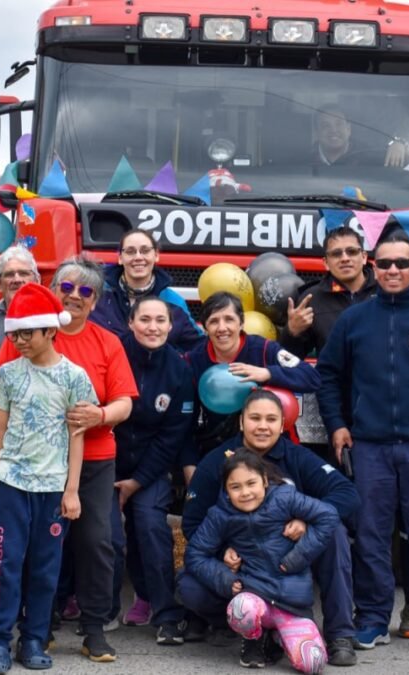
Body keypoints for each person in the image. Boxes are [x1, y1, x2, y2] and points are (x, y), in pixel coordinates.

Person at [316, 232, 409, 655]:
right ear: (372, 266)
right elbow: (328, 376)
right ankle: (372, 619)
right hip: (369, 446)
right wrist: (336, 424)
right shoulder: (354, 320)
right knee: (369, 536)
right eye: (385, 264)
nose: (393, 271)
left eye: (402, 263)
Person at [0, 255, 137, 662]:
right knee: (21, 552)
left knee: (94, 541)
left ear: (96, 300)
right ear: (52, 292)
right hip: (28, 464)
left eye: (85, 291)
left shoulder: (108, 342)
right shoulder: (23, 336)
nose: (74, 296)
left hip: (92, 458)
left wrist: (99, 415)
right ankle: (38, 631)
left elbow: (124, 402)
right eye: (66, 287)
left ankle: (93, 628)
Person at [181, 389, 361, 667]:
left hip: (289, 562)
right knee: (189, 586)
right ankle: (245, 629)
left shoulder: (297, 457)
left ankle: (339, 634)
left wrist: (306, 520)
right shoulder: (217, 461)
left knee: (334, 530)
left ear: (282, 424)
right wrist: (221, 552)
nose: (262, 426)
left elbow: (346, 493)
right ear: (241, 422)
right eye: (254, 418)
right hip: (243, 567)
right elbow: (192, 523)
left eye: (271, 419)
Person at [0, 283, 96, 675]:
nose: (20, 340)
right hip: (12, 483)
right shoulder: (8, 374)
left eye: (28, 333)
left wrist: (72, 490)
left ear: (51, 331)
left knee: (46, 567)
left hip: (52, 487)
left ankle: (33, 638)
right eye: (15, 334)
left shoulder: (74, 377)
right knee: (4, 562)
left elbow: (77, 434)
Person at [185, 451, 338, 674]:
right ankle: (254, 638)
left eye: (251, 483)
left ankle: (278, 637)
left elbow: (328, 516)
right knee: (240, 609)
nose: (245, 492)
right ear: (226, 491)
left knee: (313, 665)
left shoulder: (285, 498)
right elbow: (195, 554)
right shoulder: (220, 515)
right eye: (235, 487)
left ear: (265, 481)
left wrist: (298, 556)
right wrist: (225, 578)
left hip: (292, 604)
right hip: (255, 596)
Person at [110, 297, 194, 644]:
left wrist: (137, 481)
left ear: (171, 326)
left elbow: (172, 436)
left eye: (160, 320)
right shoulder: (112, 355)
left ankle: (166, 614)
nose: (153, 327)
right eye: (145, 319)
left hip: (150, 469)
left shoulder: (179, 370)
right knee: (109, 537)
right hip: (104, 465)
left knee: (150, 528)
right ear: (131, 323)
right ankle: (101, 607)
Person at [183, 291, 324, 475]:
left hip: (274, 448)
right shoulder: (194, 360)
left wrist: (267, 373)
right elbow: (185, 424)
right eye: (214, 321)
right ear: (205, 328)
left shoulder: (264, 349)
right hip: (221, 451)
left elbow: (311, 378)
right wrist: (190, 468)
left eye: (229, 319)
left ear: (241, 323)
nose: (222, 328)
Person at [90, 229, 205, 353]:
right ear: (120, 258)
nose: (138, 257)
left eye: (145, 251)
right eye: (130, 252)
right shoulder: (95, 295)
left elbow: (198, 347)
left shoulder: (174, 302)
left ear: (156, 255)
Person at [313, 106, 409, 168]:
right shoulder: (302, 159)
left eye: (339, 124)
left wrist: (400, 144)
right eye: (325, 125)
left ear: (349, 129)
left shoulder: (368, 154)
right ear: (317, 133)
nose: (333, 130)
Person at [0, 245, 40, 347]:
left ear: (37, 281)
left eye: (23, 273)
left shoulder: (53, 319)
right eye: (9, 274)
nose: (17, 280)